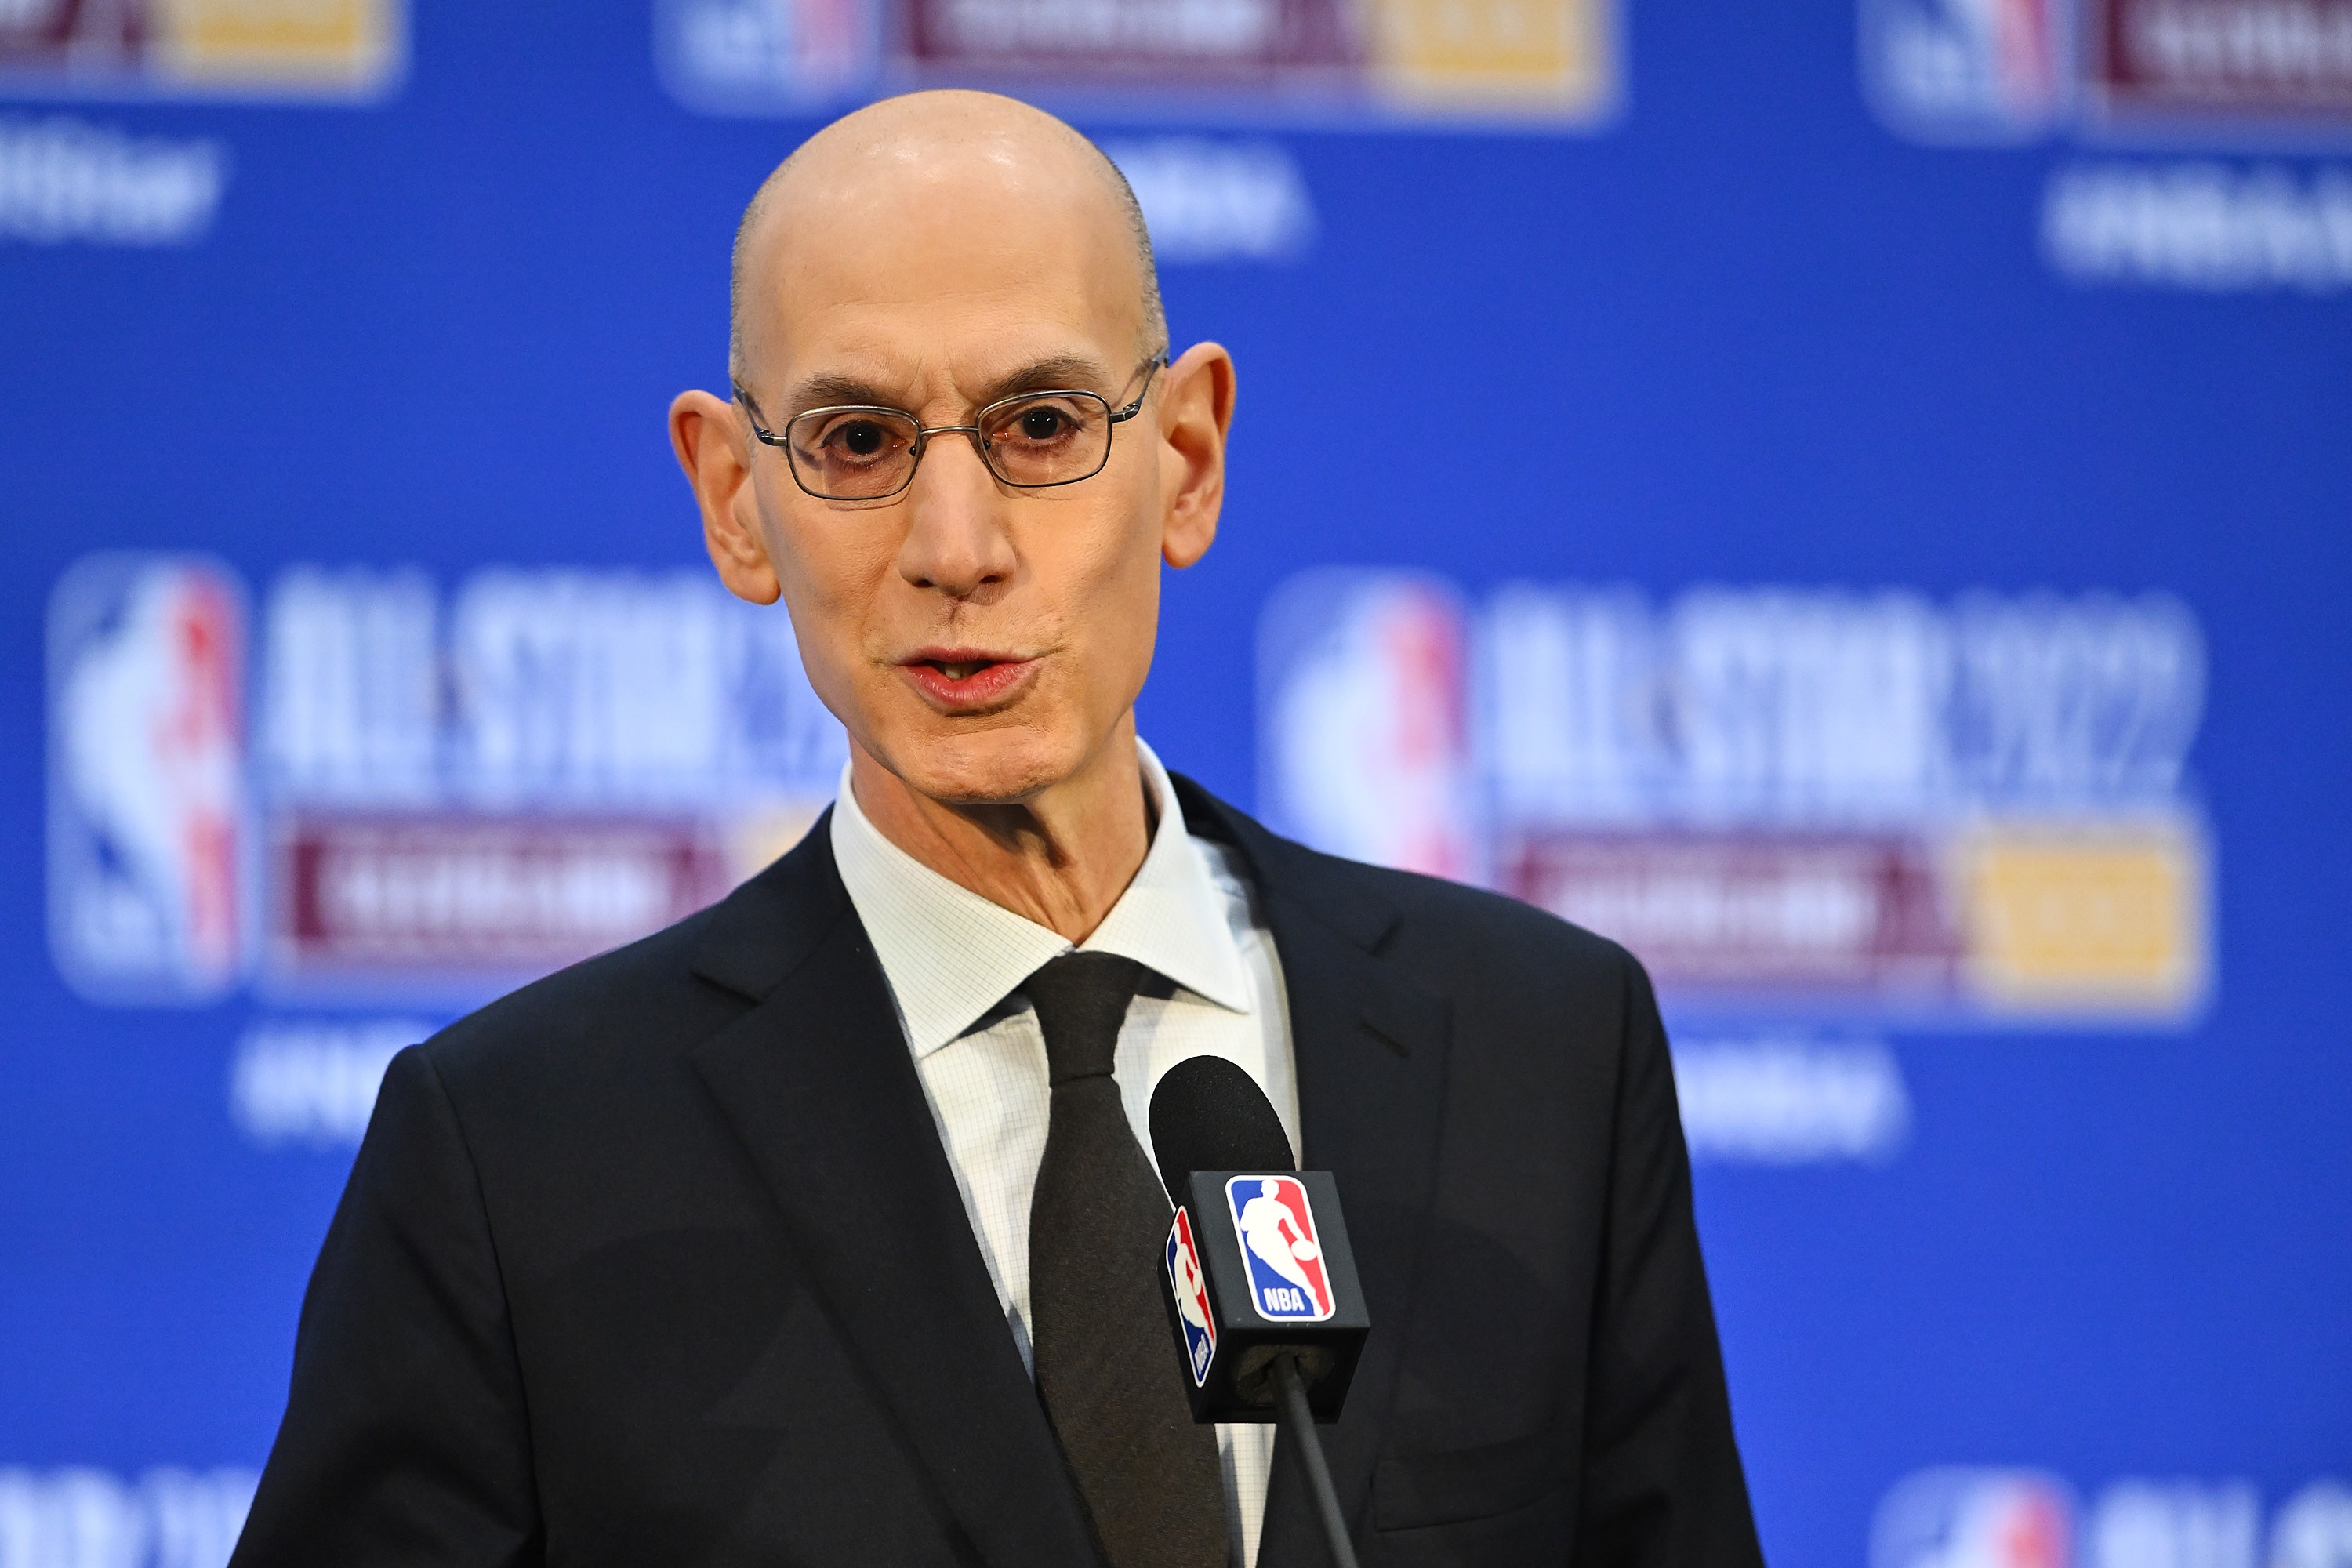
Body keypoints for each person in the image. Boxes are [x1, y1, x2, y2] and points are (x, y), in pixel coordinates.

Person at [229, 90, 1763, 1568]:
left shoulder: (1543, 1052)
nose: (954, 549)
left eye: (1039, 424)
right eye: (854, 441)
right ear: (734, 500)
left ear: (1188, 457)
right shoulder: (518, 1157)